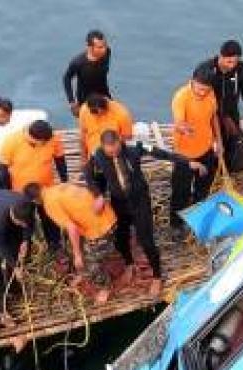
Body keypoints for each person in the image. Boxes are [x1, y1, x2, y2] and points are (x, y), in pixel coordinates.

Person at [86, 129, 206, 288]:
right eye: (110, 152)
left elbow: (160, 153)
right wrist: (98, 194)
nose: (114, 154)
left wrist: (187, 162)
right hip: (119, 202)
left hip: (139, 200)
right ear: (103, 147)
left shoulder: (134, 147)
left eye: (116, 150)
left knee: (146, 240)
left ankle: (157, 275)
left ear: (120, 141)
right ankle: (129, 264)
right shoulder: (97, 155)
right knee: (120, 239)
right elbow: (88, 174)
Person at [169, 65, 223, 232]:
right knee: (180, 193)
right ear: (192, 81)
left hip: (206, 149)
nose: (202, 93)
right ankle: (176, 225)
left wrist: (218, 141)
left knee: (203, 188)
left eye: (205, 90)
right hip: (184, 154)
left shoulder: (211, 94)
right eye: (199, 89)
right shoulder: (181, 97)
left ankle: (197, 218)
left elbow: (214, 118)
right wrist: (183, 128)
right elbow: (178, 121)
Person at [0, 119, 67, 250]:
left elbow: (60, 160)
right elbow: (3, 170)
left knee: (50, 219)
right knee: (25, 223)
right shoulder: (11, 141)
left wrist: (64, 181)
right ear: (35, 139)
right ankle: (26, 250)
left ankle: (55, 246)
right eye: (43, 142)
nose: (46, 143)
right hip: (20, 193)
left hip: (46, 190)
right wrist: (8, 194)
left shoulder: (52, 138)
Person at [27, 182, 118, 279]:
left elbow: (72, 228)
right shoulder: (59, 186)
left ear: (35, 201)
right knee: (76, 245)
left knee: (86, 263)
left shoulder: (49, 204)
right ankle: (83, 272)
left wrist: (77, 255)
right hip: (110, 216)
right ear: (42, 186)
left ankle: (104, 287)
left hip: (102, 230)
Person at [199, 40, 243, 134]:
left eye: (235, 62)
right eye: (229, 62)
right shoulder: (205, 70)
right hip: (209, 113)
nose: (232, 66)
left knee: (235, 140)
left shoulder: (241, 69)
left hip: (231, 111)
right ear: (220, 56)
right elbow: (196, 94)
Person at [63, 30, 112, 117]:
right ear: (89, 47)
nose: (103, 49)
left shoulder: (107, 53)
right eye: (100, 47)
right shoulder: (78, 62)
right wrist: (72, 102)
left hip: (104, 95)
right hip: (86, 100)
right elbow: (66, 78)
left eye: (104, 46)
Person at [77, 94, 133, 165]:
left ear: (105, 107)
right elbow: (83, 137)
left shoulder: (122, 114)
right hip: (93, 155)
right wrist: (83, 159)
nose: (96, 114)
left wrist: (110, 149)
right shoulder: (84, 110)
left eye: (97, 111)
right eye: (93, 112)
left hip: (114, 153)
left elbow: (127, 138)